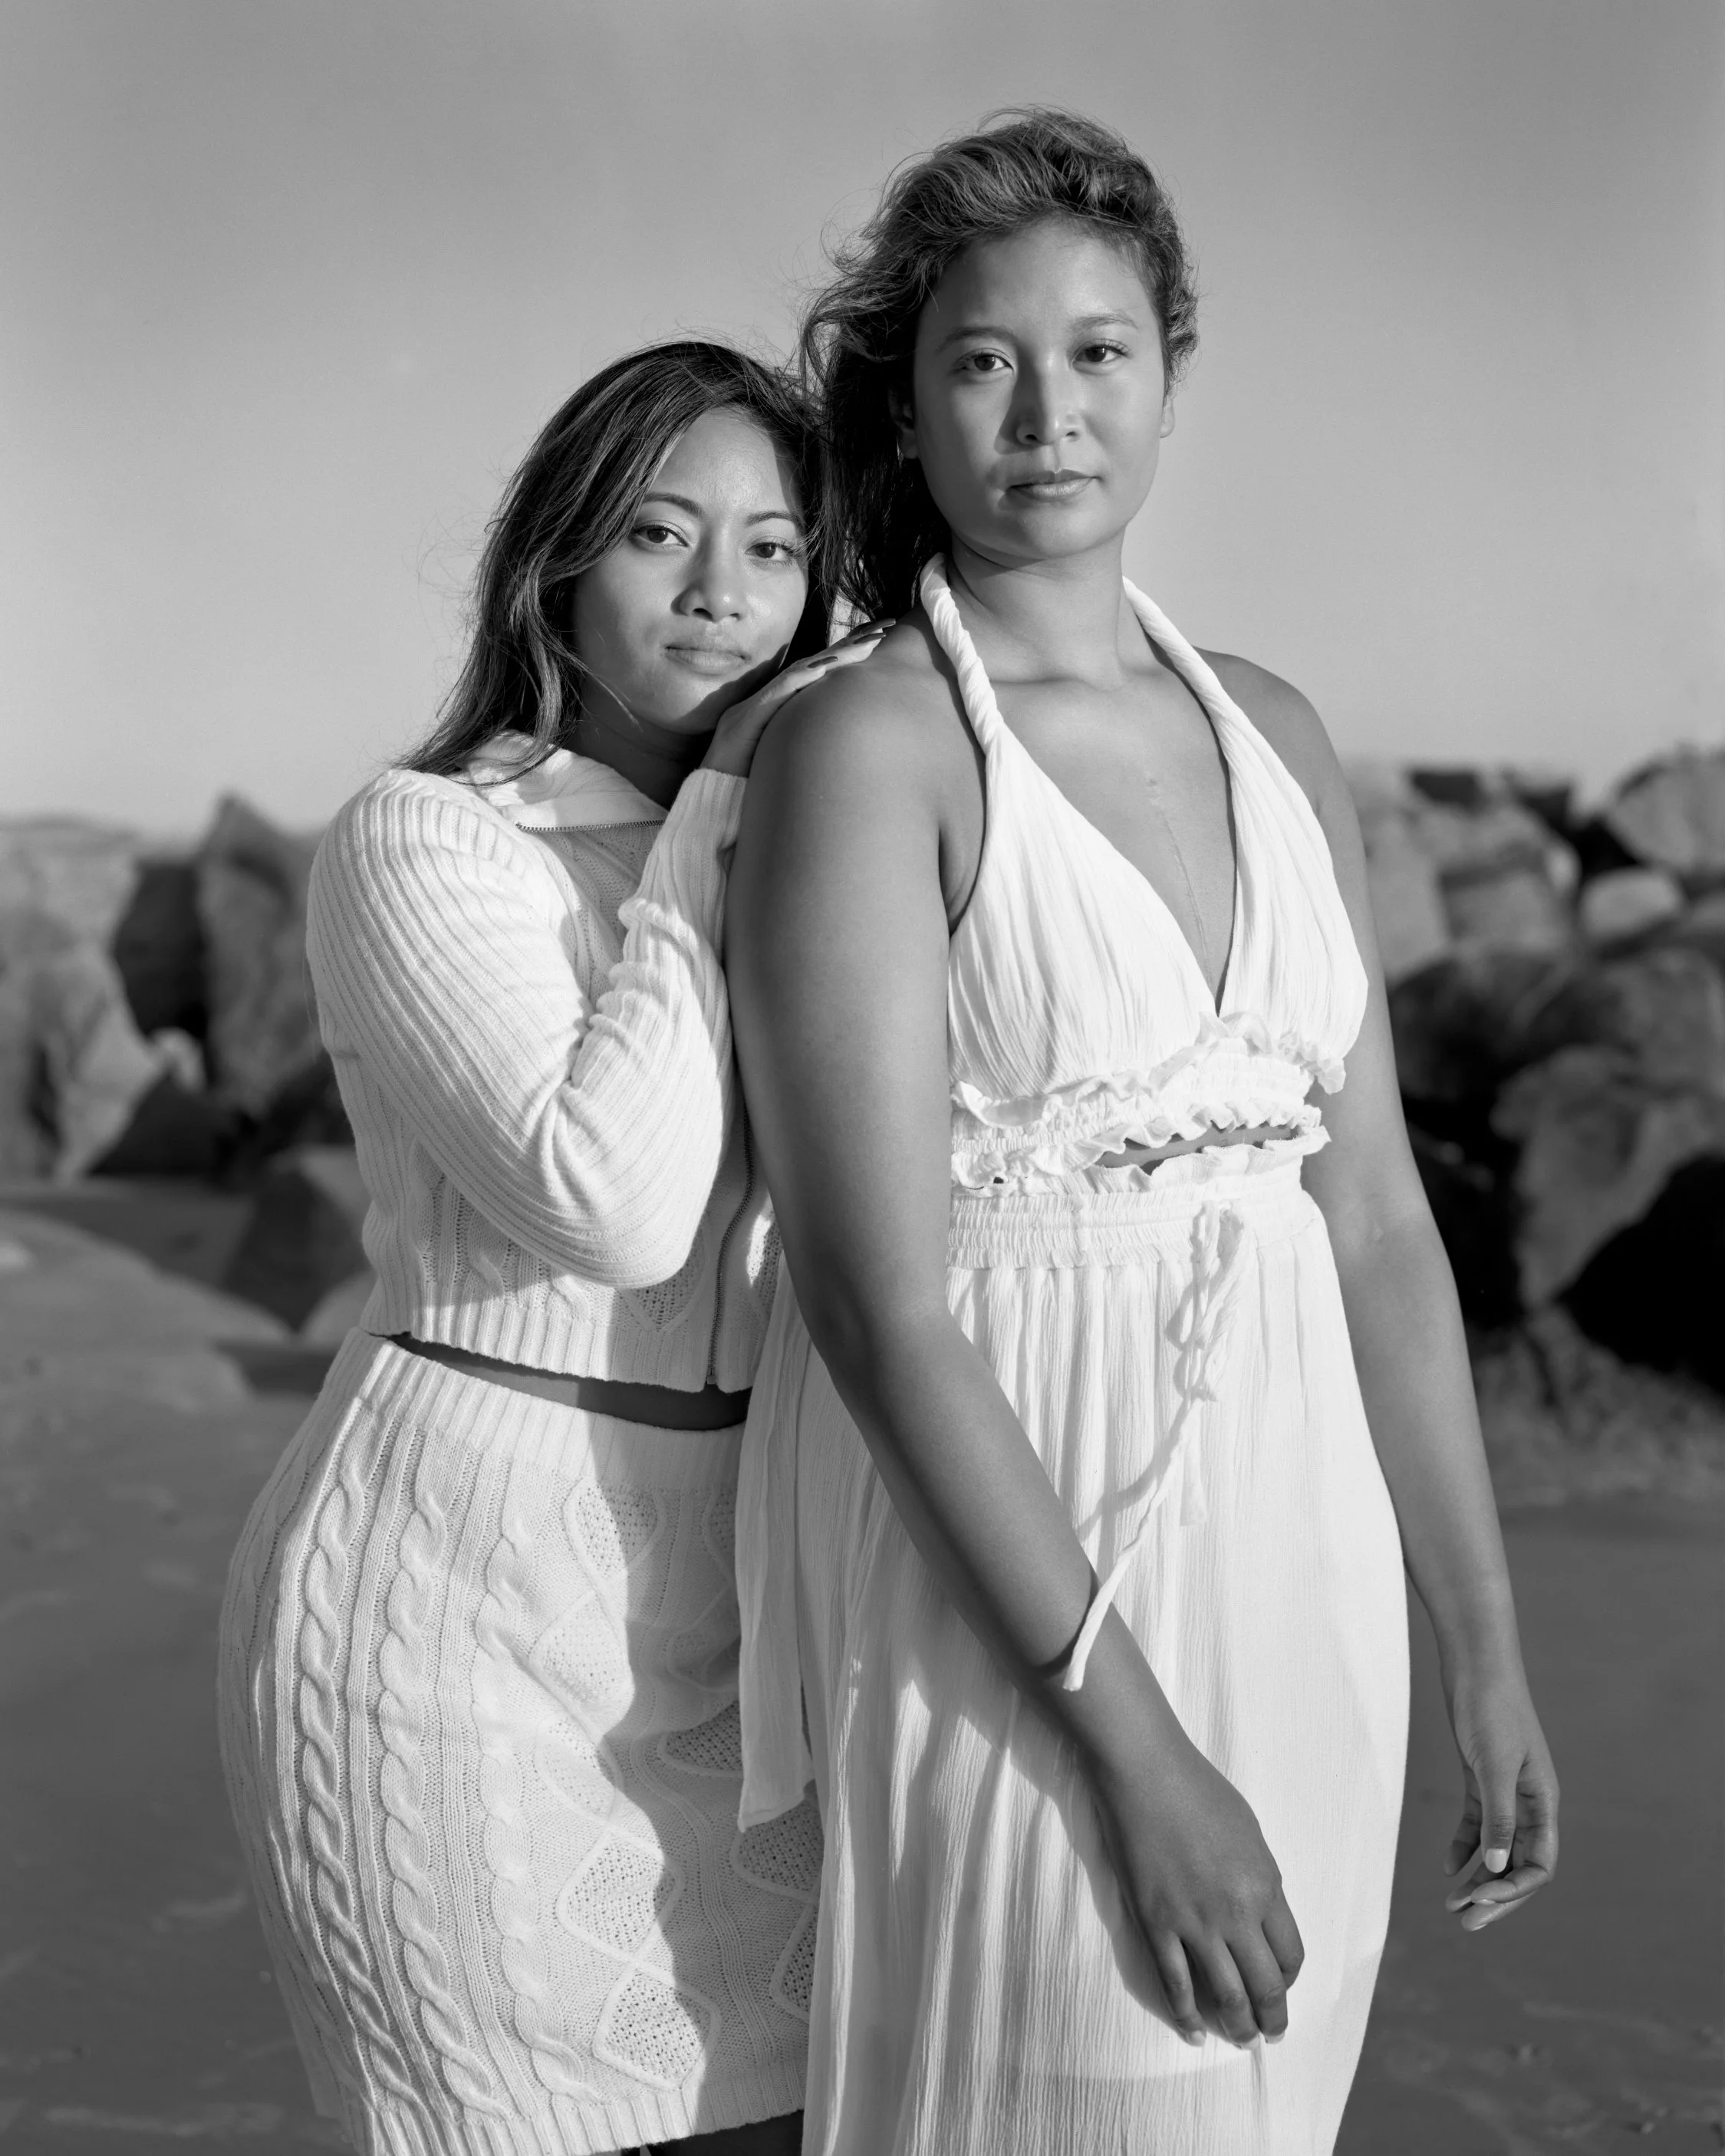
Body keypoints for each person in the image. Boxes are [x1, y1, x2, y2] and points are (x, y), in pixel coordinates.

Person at [726, 111, 1559, 2154]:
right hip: (1037, 1604)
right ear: (907, 409)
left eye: (1100, 352)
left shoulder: (1276, 730)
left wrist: (1484, 1644)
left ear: (1173, 374)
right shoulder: (866, 744)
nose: (1047, 412)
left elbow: (1369, 1220)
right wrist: (1136, 1760)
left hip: (1314, 1578)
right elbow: (871, 1300)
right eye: (983, 360)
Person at [218, 341, 887, 2156]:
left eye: (767, 549)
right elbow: (611, 1198)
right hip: (451, 1623)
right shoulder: (427, 841)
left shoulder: (814, 851)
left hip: (736, 1620)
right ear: (558, 567)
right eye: (660, 535)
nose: (719, 594)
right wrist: (719, 812)